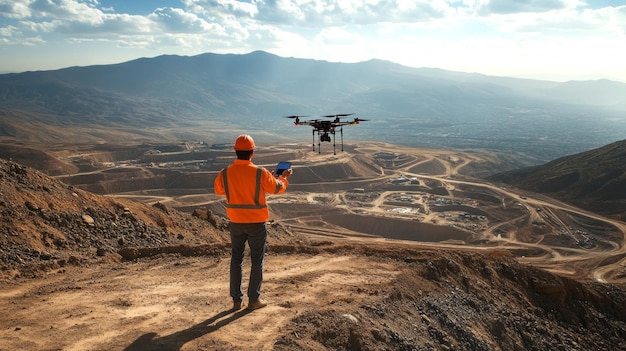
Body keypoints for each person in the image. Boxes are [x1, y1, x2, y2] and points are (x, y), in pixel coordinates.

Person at [213, 134, 293, 311]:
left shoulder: (225, 173)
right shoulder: (260, 172)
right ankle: (254, 300)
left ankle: (236, 300)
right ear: (252, 153)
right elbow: (276, 188)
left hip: (236, 222)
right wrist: (283, 178)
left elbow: (218, 190)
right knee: (257, 260)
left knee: (236, 259)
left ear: (235, 151)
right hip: (256, 223)